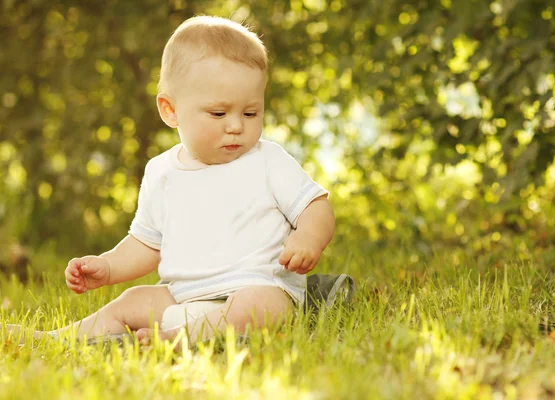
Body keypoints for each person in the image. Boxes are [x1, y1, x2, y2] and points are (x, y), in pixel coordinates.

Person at [5, 15, 335, 346]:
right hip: (184, 297)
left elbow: (315, 207)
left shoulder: (268, 160)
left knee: (258, 306)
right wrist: (108, 267)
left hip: (259, 285)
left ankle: (179, 339)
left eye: (250, 113)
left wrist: (308, 237)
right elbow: (146, 244)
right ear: (170, 110)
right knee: (131, 301)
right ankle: (55, 339)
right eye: (219, 114)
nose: (236, 125)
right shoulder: (162, 173)